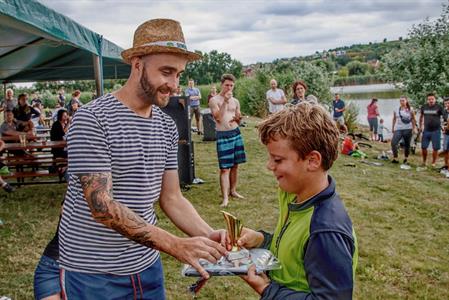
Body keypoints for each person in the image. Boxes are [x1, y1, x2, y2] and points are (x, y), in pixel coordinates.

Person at [57, 19, 227, 299]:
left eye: (179, 74)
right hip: (93, 273)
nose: (174, 85)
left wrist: (209, 236)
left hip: (146, 266)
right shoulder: (93, 119)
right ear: (137, 64)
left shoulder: (166, 126)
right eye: (166, 72)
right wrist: (175, 244)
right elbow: (102, 206)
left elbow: (172, 198)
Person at [238, 103, 358, 299]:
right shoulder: (293, 194)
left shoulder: (326, 231)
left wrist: (268, 290)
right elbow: (295, 252)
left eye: (277, 160)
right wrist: (262, 240)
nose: (269, 166)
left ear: (312, 161)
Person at [209, 74, 246, 207]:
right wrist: (224, 101)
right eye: (226, 85)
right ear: (221, 85)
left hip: (235, 133)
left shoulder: (235, 101)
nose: (229, 87)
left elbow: (238, 117)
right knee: (225, 168)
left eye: (231, 85)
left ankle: (233, 191)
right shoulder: (214, 100)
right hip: (223, 135)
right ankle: (225, 198)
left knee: (235, 165)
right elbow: (218, 117)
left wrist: (238, 118)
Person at [419, 93, 444, 167]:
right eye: (429, 99)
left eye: (432, 99)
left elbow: (445, 116)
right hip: (426, 130)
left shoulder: (439, 107)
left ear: (435, 99)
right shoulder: (424, 107)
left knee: (435, 148)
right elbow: (421, 116)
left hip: (436, 130)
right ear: (427, 100)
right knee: (423, 147)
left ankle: (433, 162)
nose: (431, 100)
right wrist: (420, 126)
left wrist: (444, 126)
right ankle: (424, 161)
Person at [391, 96, 416, 164]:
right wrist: (393, 128)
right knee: (393, 143)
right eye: (400, 101)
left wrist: (413, 128)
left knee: (407, 144)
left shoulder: (411, 109)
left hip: (408, 129)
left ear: (406, 101)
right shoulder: (396, 109)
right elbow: (394, 119)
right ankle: (395, 158)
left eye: (403, 100)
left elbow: (413, 119)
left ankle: (406, 158)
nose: (402, 102)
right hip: (398, 129)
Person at [441, 97, 449, 173]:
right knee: (445, 150)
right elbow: (443, 122)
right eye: (445, 103)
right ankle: (446, 165)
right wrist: (443, 128)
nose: (447, 105)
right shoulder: (444, 112)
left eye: (448, 103)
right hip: (446, 134)